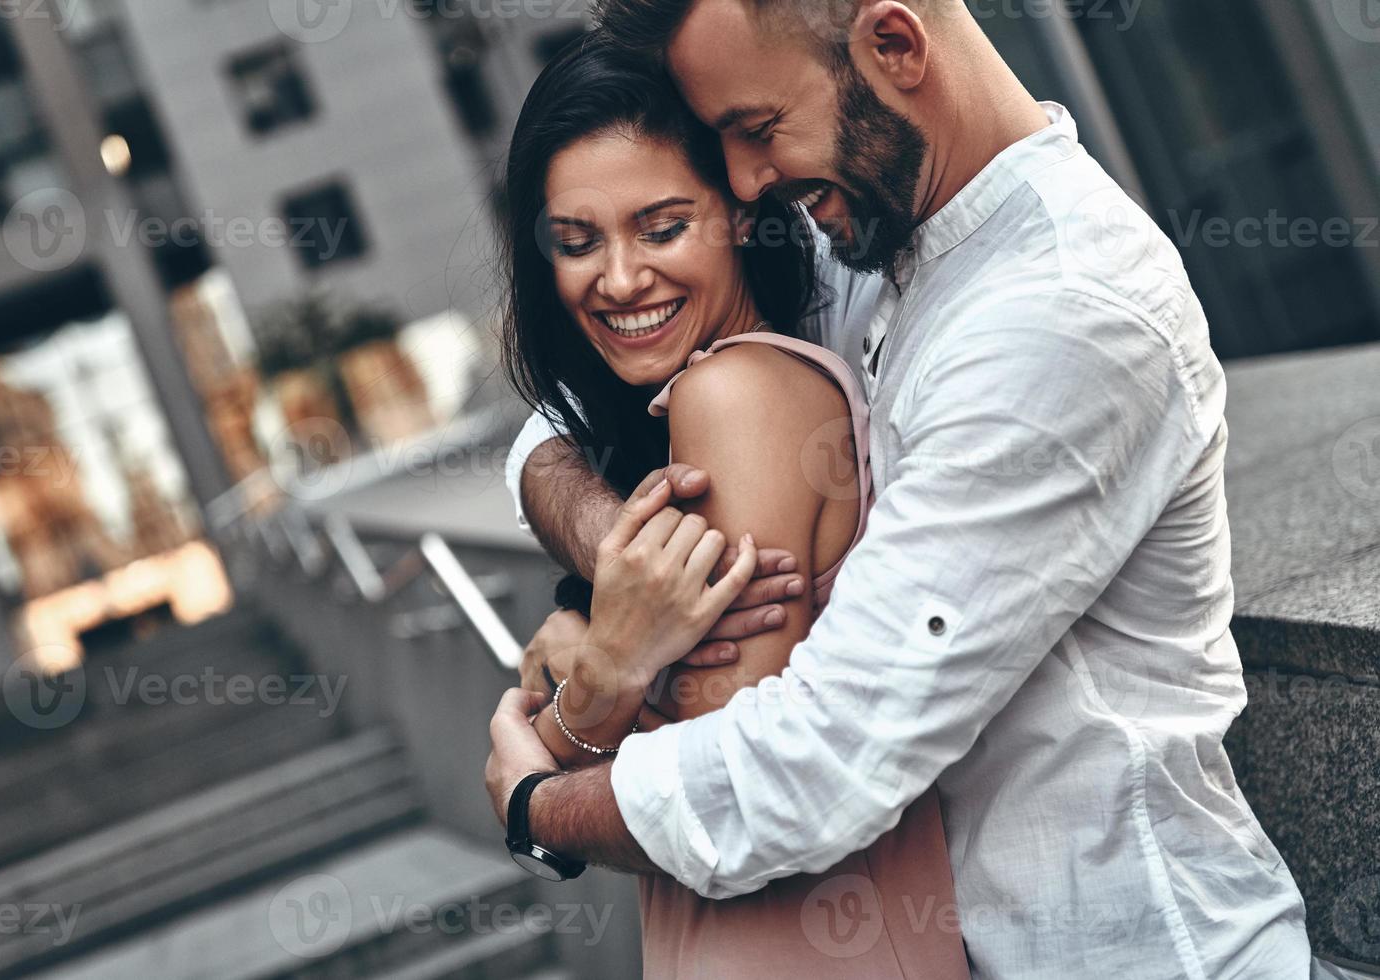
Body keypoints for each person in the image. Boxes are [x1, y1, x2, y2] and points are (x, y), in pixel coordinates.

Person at [487, 2, 1315, 977]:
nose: (750, 182)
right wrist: (618, 558)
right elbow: (553, 430)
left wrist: (536, 793)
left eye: (756, 131)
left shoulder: (1057, 312)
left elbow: (816, 765)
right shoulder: (878, 241)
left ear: (894, 46)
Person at [498, 35, 969, 977]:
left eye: (663, 227)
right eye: (578, 242)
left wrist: (554, 729)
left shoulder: (737, 396)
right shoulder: (694, 403)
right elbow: (540, 448)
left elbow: (730, 783)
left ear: (743, 217)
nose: (620, 279)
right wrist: (601, 616)